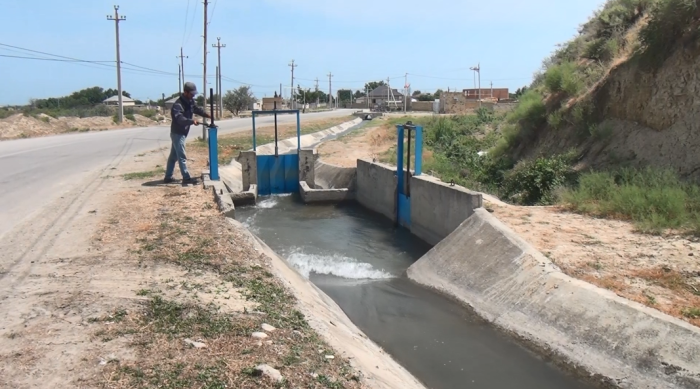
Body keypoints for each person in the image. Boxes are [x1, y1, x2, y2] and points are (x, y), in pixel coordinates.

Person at [164, 82, 211, 184]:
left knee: (173, 157)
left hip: (182, 133)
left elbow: (196, 109)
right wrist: (191, 121)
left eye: (194, 94)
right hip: (177, 133)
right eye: (191, 93)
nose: (193, 95)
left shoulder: (190, 101)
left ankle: (168, 177)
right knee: (181, 156)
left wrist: (206, 115)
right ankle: (186, 178)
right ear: (185, 92)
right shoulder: (178, 105)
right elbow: (179, 118)